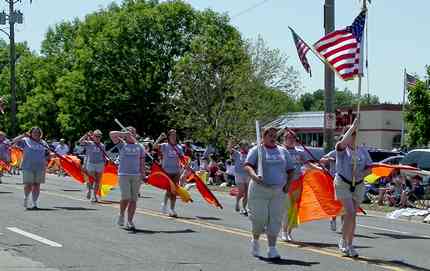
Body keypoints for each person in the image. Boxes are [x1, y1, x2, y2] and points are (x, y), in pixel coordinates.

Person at [244, 127, 294, 260]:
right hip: (259, 189)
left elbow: (291, 170)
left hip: (278, 190)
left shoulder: (282, 151)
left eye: (275, 136)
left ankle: (272, 248)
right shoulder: (257, 150)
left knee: (275, 220)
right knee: (259, 219)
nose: (273, 138)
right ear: (264, 137)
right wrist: (254, 176)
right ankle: (255, 241)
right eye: (270, 135)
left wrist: (288, 184)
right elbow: (248, 165)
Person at [334, 118, 372, 257]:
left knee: (352, 216)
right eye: (352, 134)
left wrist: (361, 173)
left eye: (356, 133)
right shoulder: (342, 149)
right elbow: (342, 143)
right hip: (343, 183)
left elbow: (370, 168)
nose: (354, 136)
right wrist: (353, 127)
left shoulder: (362, 150)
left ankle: (350, 244)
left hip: (358, 184)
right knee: (350, 212)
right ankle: (343, 241)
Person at [110, 127, 145, 230]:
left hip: (136, 175)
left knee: (133, 199)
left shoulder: (140, 146)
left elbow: (142, 161)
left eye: (133, 132)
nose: (131, 133)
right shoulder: (122, 144)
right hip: (124, 174)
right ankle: (121, 214)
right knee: (126, 197)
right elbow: (112, 133)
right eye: (129, 132)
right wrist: (124, 133)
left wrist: (143, 174)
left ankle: (130, 221)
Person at [281, 129, 311, 241]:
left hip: (298, 182)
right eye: (288, 138)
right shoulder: (280, 150)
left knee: (294, 209)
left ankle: (289, 232)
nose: (291, 140)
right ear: (284, 139)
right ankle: (283, 231)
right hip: (285, 182)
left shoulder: (300, 152)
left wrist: (320, 169)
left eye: (293, 138)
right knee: (286, 208)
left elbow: (307, 164)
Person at [12, 127, 50, 209]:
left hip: (40, 166)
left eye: (38, 133)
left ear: (40, 134)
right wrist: (23, 135)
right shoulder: (25, 141)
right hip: (27, 166)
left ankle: (34, 202)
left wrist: (48, 159)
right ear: (31, 133)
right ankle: (26, 197)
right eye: (34, 132)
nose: (36, 134)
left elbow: (47, 153)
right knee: (28, 184)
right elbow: (14, 141)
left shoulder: (43, 142)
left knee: (37, 185)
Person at [155, 129, 183, 217]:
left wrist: (185, 165)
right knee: (169, 189)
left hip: (176, 171)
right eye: (172, 135)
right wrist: (159, 138)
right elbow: (154, 146)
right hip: (166, 171)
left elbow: (182, 158)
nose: (174, 136)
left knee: (174, 190)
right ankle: (164, 204)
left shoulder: (179, 147)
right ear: (169, 136)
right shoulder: (164, 146)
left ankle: (172, 209)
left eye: (175, 135)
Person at [79, 130, 106, 202]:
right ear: (93, 136)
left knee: (98, 181)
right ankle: (89, 190)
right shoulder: (89, 143)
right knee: (91, 180)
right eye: (96, 136)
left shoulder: (102, 145)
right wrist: (86, 135)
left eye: (99, 136)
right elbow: (80, 141)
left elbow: (103, 155)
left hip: (100, 164)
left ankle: (94, 196)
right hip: (91, 163)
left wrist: (105, 162)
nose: (98, 138)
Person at [228, 140, 250, 215]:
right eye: (243, 146)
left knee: (247, 193)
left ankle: (244, 208)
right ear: (241, 147)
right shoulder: (237, 154)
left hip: (248, 174)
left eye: (246, 145)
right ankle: (237, 202)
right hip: (239, 174)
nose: (245, 147)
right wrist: (231, 143)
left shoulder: (250, 154)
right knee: (241, 191)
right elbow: (230, 149)